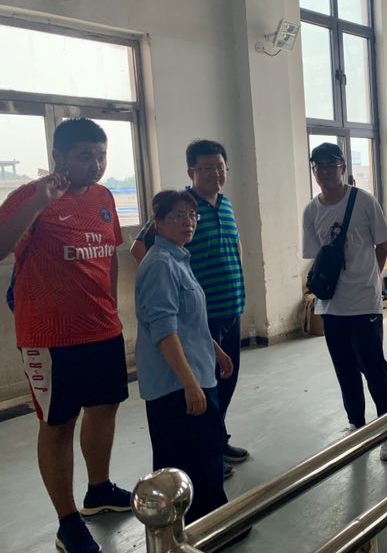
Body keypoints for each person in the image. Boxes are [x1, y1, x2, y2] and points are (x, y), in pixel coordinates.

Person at [0, 119, 131, 553]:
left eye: (101, 156)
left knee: (105, 407)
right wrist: (40, 199)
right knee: (58, 424)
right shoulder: (31, 197)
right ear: (59, 157)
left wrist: (111, 306)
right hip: (50, 337)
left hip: (102, 328)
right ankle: (67, 521)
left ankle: (99, 490)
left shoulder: (104, 197)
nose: (95, 165)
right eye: (84, 156)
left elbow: (109, 256)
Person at [131, 140, 248, 478]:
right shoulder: (179, 206)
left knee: (223, 381)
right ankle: (209, 450)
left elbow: (235, 243)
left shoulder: (224, 205)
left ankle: (217, 441)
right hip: (197, 316)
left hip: (231, 306)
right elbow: (139, 246)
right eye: (207, 168)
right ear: (191, 172)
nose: (215, 174)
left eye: (220, 167)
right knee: (200, 389)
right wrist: (168, 286)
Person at [134, 190, 234, 523]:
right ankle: (202, 528)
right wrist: (189, 384)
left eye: (192, 216)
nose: (187, 222)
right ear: (158, 222)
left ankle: (211, 521)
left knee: (207, 453)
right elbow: (164, 331)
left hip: (197, 374)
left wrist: (215, 350)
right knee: (190, 462)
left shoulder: (178, 258)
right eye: (178, 216)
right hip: (175, 386)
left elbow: (188, 320)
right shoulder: (160, 265)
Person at [301, 142, 387, 461]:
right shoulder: (311, 211)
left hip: (364, 302)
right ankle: (356, 424)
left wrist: (370, 279)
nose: (324, 172)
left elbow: (382, 244)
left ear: (343, 168)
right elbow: (316, 255)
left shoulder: (364, 200)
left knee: (374, 367)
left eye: (331, 165)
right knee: (344, 368)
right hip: (331, 305)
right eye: (318, 167)